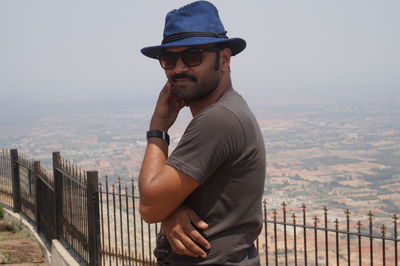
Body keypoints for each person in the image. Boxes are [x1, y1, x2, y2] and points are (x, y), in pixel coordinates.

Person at [139, 1, 266, 265]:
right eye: (169, 59)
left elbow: (149, 205)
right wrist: (170, 212)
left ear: (223, 59)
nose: (179, 68)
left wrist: (158, 127)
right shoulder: (229, 111)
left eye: (193, 55)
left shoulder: (218, 119)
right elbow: (161, 204)